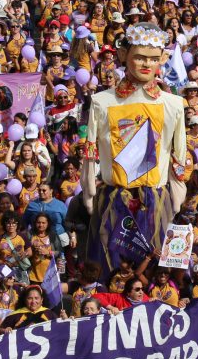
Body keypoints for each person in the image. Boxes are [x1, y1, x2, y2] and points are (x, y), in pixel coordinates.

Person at [81, 23, 189, 275]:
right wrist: (89, 195)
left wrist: (176, 198)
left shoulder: (173, 104)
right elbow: (90, 155)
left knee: (155, 274)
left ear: (163, 58)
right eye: (139, 56)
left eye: (153, 58)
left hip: (157, 200)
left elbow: (179, 157)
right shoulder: (101, 101)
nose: (146, 64)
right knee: (110, 272)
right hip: (112, 199)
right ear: (123, 55)